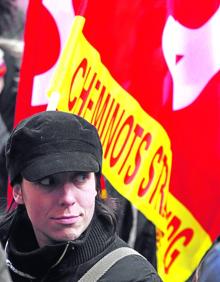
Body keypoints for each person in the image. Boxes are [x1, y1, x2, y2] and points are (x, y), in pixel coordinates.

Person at [0, 110, 162, 282]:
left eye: (80, 178)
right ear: (18, 192)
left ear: (96, 186)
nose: (68, 198)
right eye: (48, 181)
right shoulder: (5, 257)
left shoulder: (134, 277)